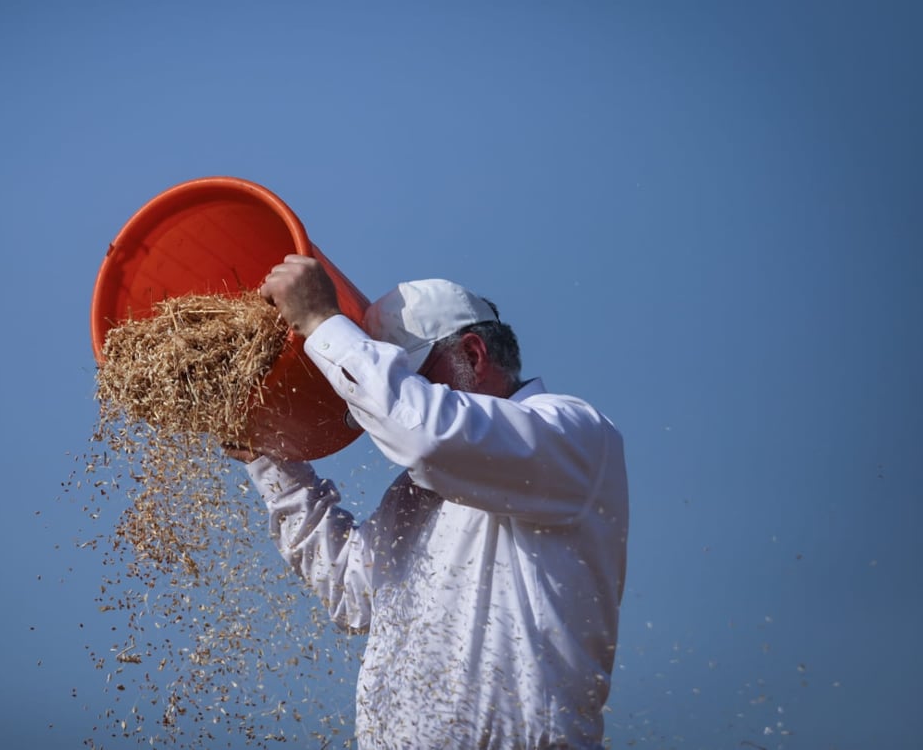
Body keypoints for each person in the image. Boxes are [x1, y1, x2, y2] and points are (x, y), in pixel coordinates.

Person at [230, 254, 629, 750]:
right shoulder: (417, 493)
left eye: (416, 378)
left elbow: (425, 433)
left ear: (475, 354)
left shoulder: (572, 434)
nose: (395, 401)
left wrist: (320, 322)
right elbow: (353, 592)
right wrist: (265, 455)